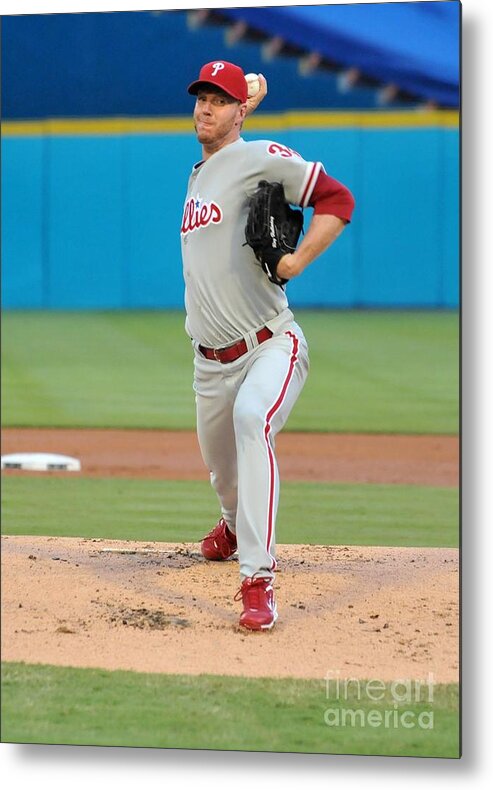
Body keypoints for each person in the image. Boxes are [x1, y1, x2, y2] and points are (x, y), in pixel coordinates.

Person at [181, 60, 355, 631]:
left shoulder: (259, 158)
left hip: (268, 345)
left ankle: (257, 580)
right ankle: (233, 526)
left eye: (218, 100)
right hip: (209, 363)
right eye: (201, 98)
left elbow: (338, 199)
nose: (206, 107)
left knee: (252, 418)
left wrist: (295, 261)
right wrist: (237, 95)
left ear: (239, 112)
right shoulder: (199, 174)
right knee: (222, 472)